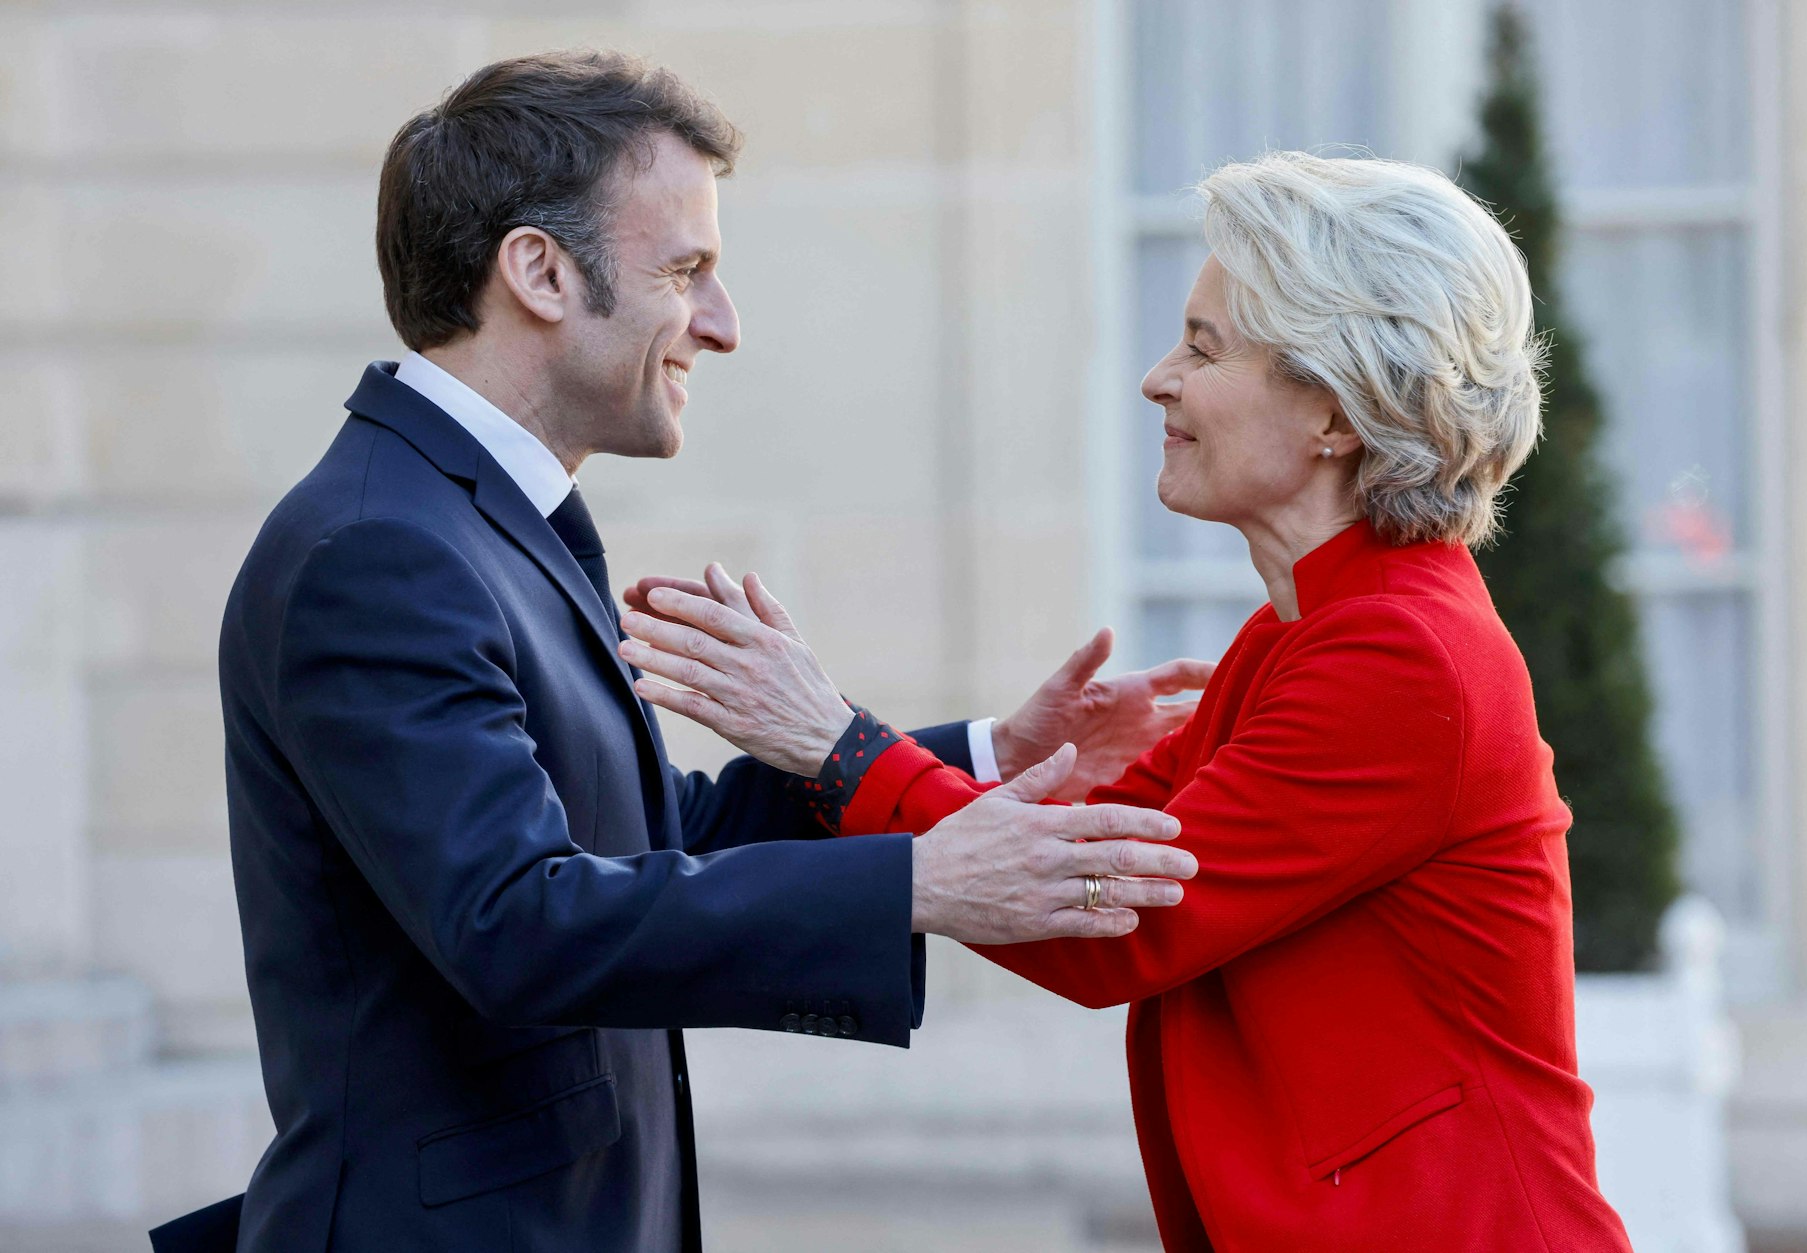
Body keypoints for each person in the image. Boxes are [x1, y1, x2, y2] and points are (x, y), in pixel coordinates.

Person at [153, 50, 1207, 1253]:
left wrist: (977, 752)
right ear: (539, 273)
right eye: (686, 269)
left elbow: (658, 836)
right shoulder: (376, 547)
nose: (722, 323)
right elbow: (516, 918)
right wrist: (919, 884)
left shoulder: (474, 518)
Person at [625, 152, 1636, 1250]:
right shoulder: (1307, 629)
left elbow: (1102, 922)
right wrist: (1000, 753)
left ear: (1335, 412)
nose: (1158, 378)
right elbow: (1067, 855)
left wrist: (836, 742)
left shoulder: (1401, 655)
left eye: (1202, 346)